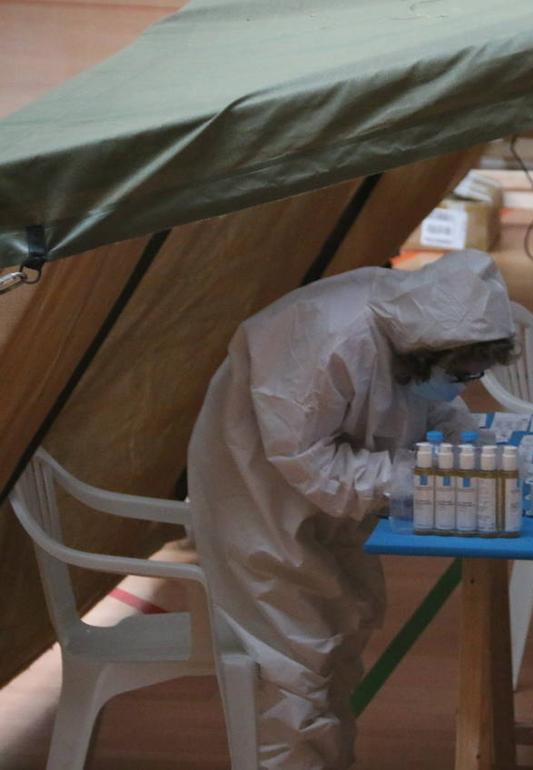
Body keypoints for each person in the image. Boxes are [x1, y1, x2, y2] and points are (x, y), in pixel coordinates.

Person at [188, 250, 515, 769]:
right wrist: (414, 476)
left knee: (337, 646)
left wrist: (465, 442)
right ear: (430, 350)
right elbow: (306, 459)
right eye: (461, 372)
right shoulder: (329, 340)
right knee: (293, 668)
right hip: (262, 502)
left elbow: (431, 399)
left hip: (331, 507)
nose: (462, 383)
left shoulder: (420, 324)